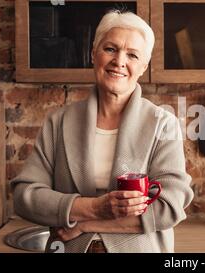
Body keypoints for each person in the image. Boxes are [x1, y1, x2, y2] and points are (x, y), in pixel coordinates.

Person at [10, 10, 194, 253]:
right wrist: (94, 207)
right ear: (93, 54)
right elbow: (26, 196)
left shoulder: (163, 124)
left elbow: (169, 207)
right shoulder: (58, 122)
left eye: (132, 55)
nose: (119, 61)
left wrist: (87, 224)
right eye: (110, 49)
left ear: (143, 67)